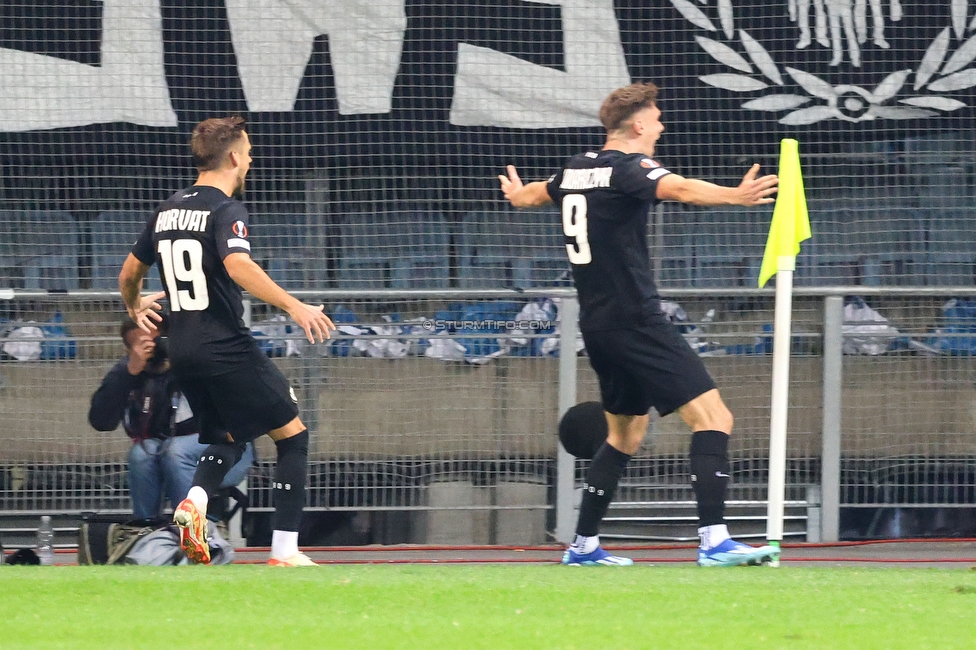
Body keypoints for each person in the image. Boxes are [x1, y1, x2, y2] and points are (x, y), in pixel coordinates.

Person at [498, 81, 780, 567]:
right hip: (637, 319)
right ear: (639, 125)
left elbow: (529, 199)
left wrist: (515, 192)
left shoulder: (574, 167)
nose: (663, 127)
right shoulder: (630, 168)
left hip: (598, 324)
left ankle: (583, 546)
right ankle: (714, 541)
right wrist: (735, 196)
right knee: (714, 419)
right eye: (658, 118)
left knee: (625, 434)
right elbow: (681, 188)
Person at [119, 116, 336, 566]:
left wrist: (135, 305)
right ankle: (285, 551)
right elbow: (238, 266)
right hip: (225, 346)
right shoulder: (226, 210)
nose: (252, 160)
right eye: (250, 152)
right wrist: (296, 307)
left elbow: (128, 274)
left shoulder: (166, 210)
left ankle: (193, 502)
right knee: (292, 435)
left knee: (230, 438)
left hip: (181, 349)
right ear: (234, 156)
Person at [89, 318, 254, 519]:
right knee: (141, 454)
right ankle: (147, 531)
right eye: (141, 345)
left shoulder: (193, 360)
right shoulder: (128, 371)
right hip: (166, 450)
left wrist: (179, 358)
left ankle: (192, 529)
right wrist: (130, 372)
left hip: (229, 448)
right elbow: (100, 421)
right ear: (129, 350)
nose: (151, 348)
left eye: (156, 340)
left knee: (176, 451)